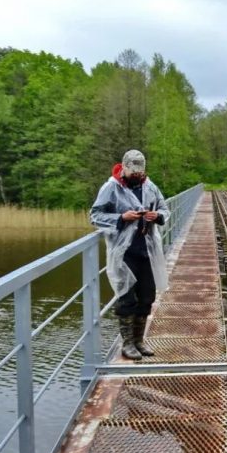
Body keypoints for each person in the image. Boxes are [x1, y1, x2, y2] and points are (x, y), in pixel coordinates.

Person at [90, 150, 170, 360]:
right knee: (126, 299)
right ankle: (127, 344)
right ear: (123, 167)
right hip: (124, 253)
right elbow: (95, 215)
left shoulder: (150, 186)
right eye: (133, 171)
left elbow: (164, 208)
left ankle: (139, 341)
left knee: (146, 297)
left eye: (140, 171)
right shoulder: (111, 187)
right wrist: (121, 217)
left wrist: (157, 216)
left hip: (147, 250)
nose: (137, 175)